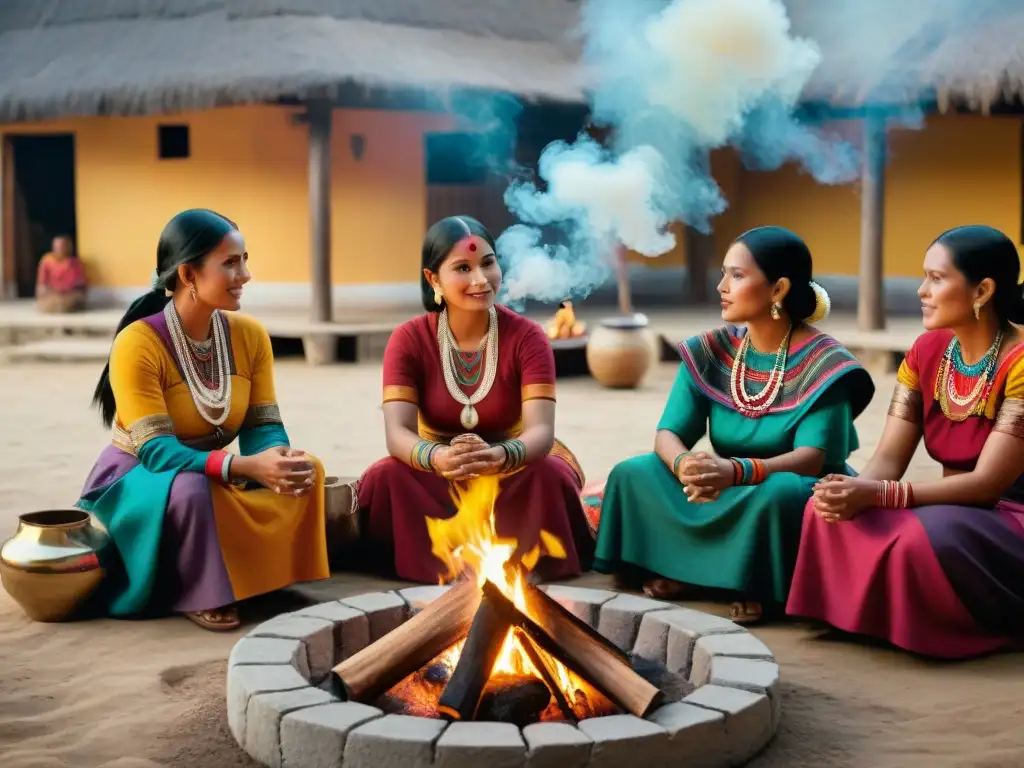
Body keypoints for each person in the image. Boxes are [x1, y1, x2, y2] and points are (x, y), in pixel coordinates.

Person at [589, 226, 874, 623]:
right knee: (633, 473)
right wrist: (684, 466)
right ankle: (698, 574)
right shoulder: (712, 349)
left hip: (785, 486)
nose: (722, 286)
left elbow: (811, 460)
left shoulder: (826, 363)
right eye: (724, 273)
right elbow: (669, 435)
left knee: (778, 495)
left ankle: (744, 583)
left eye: (737, 276)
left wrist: (736, 471)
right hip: (721, 483)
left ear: (778, 290)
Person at [77, 209, 329, 631]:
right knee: (193, 491)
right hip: (144, 477)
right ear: (189, 275)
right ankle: (198, 590)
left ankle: (266, 579)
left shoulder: (249, 336)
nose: (245, 274)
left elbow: (261, 424)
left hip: (215, 471)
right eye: (230, 263)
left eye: (245, 259)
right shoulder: (137, 342)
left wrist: (275, 459)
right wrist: (243, 467)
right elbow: (156, 451)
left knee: (308, 470)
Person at [787, 225, 1024, 658]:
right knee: (824, 509)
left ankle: (941, 626)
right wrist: (850, 492)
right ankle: (862, 618)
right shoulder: (925, 351)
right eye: (924, 277)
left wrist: (877, 494)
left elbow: (988, 485)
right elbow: (886, 462)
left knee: (925, 537)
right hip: (948, 507)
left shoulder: (1020, 362)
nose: (921, 291)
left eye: (937, 278)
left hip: (1008, 515)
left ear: (982, 290)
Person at [345, 215, 594, 583]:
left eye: (488, 263)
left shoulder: (528, 337)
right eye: (463, 268)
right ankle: (442, 566)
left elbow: (540, 431)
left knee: (550, 473)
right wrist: (440, 457)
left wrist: (498, 456)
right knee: (386, 477)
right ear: (433, 280)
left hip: (513, 464)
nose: (480, 279)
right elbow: (397, 434)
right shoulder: (408, 339)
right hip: (438, 468)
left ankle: (517, 568)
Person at [36, 235, 87, 313]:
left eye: (62, 246)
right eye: (57, 246)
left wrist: (66, 291)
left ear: (69, 247)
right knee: (53, 302)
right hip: (52, 295)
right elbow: (41, 285)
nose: (59, 249)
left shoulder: (75, 263)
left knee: (72, 300)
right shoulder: (46, 261)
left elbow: (81, 286)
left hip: (70, 295)